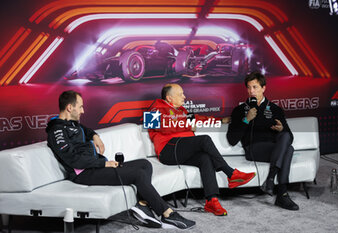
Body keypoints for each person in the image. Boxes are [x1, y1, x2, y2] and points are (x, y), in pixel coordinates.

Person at [46, 90, 195, 229]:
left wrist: (95, 136)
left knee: (144, 164)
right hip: (83, 173)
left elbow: (87, 130)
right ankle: (167, 214)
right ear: (70, 108)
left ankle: (142, 204)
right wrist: (104, 163)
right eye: (80, 107)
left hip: (95, 167)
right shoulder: (57, 130)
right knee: (138, 174)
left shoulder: (72, 124)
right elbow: (73, 160)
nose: (83, 111)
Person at [148, 84, 256, 216]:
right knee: (204, 139)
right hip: (168, 150)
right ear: (169, 98)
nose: (184, 96)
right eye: (181, 94)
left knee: (205, 158)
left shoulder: (182, 111)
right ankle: (231, 173)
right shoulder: (154, 109)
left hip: (182, 149)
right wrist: (186, 126)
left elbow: (199, 119)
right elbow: (158, 128)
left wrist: (220, 121)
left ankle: (212, 201)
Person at [226, 71, 299, 211]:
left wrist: (281, 129)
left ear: (264, 88)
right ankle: (281, 193)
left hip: (274, 149)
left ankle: (271, 180)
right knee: (288, 150)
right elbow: (232, 140)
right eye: (249, 87)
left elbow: (289, 136)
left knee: (287, 142)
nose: (251, 91)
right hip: (253, 149)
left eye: (255, 87)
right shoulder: (239, 110)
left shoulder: (275, 109)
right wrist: (246, 119)